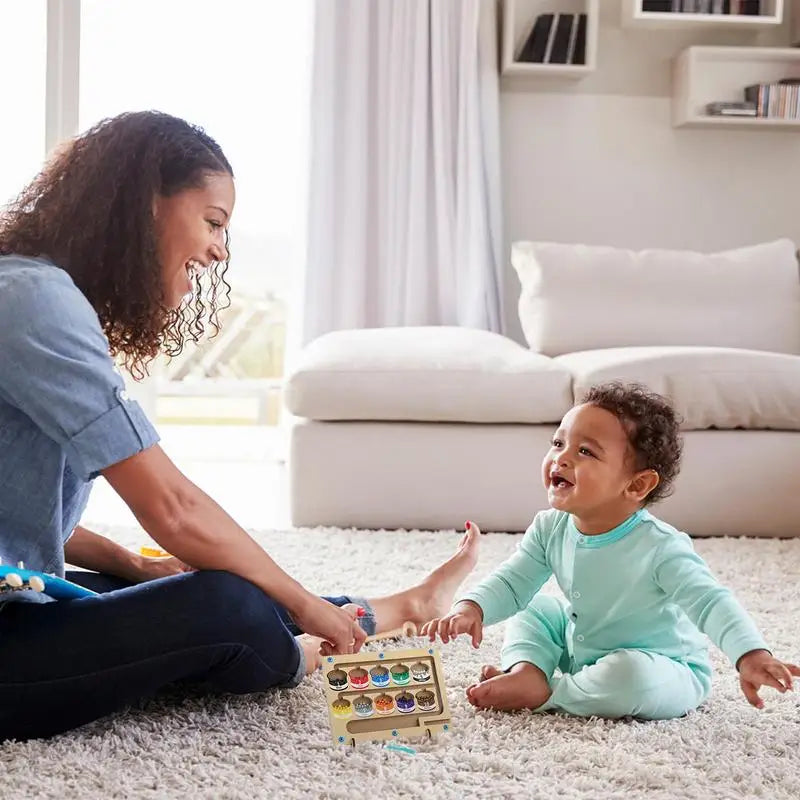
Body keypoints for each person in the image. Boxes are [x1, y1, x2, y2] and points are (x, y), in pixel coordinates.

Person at [0, 110, 479, 741]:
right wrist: (303, 609)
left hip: (19, 588)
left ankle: (401, 609)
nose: (219, 248)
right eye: (213, 221)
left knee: (187, 577)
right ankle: (298, 649)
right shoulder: (37, 301)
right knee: (228, 603)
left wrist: (132, 564)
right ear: (143, 206)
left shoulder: (26, 285)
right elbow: (172, 506)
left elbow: (20, 509)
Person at [422, 383, 798, 719]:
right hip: (578, 645)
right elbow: (513, 582)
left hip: (662, 667)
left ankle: (549, 693)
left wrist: (751, 654)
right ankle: (527, 669)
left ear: (637, 485)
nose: (562, 458)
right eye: (558, 443)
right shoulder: (550, 526)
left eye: (585, 451)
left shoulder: (661, 547)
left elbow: (711, 602)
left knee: (629, 678)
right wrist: (472, 608)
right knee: (535, 607)